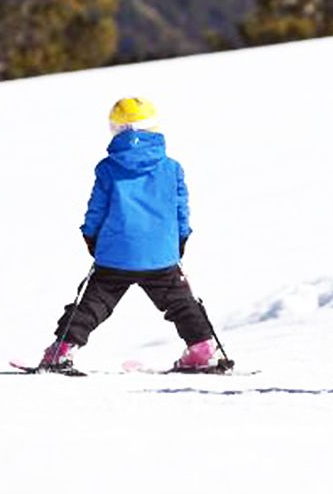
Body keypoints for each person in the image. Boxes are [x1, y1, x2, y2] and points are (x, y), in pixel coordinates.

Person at [39, 97, 218, 372]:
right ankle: (202, 349)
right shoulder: (172, 168)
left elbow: (96, 209)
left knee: (92, 304)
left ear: (115, 129)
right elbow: (181, 210)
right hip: (161, 254)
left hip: (115, 254)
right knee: (182, 303)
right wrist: (181, 239)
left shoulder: (107, 168)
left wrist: (91, 236)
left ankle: (62, 350)